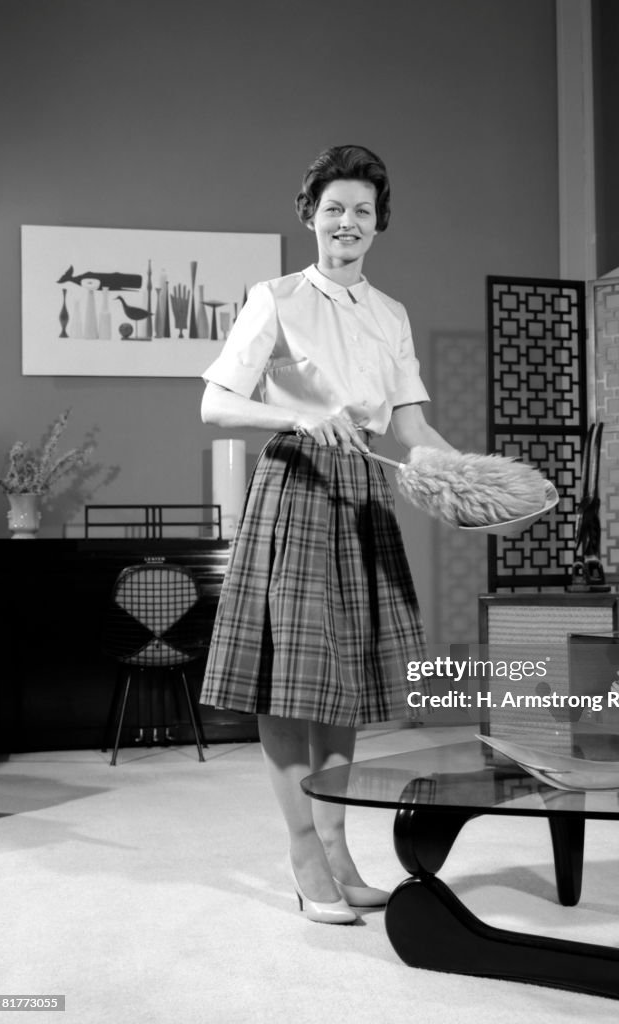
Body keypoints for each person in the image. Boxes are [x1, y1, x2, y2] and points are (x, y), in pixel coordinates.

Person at [198, 145, 454, 925]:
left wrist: (475, 475)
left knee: (343, 681)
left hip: (364, 491)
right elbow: (216, 405)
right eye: (334, 208)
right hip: (298, 485)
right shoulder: (273, 298)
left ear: (378, 227)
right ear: (309, 214)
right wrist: (303, 413)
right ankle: (304, 852)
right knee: (289, 682)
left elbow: (408, 426)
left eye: (363, 212)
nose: (348, 223)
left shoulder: (390, 314)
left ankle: (340, 849)